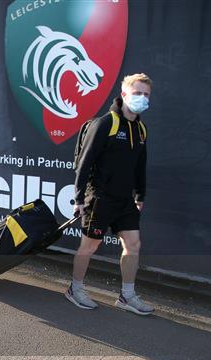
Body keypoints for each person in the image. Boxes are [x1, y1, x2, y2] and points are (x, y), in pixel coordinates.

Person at [65, 73, 154, 316]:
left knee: (133, 244)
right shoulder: (106, 124)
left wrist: (140, 195)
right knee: (89, 245)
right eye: (137, 93)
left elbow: (140, 165)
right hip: (100, 197)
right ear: (124, 94)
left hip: (125, 200)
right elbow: (84, 163)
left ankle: (127, 296)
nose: (142, 98)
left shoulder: (141, 129)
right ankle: (75, 288)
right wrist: (80, 198)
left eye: (146, 94)